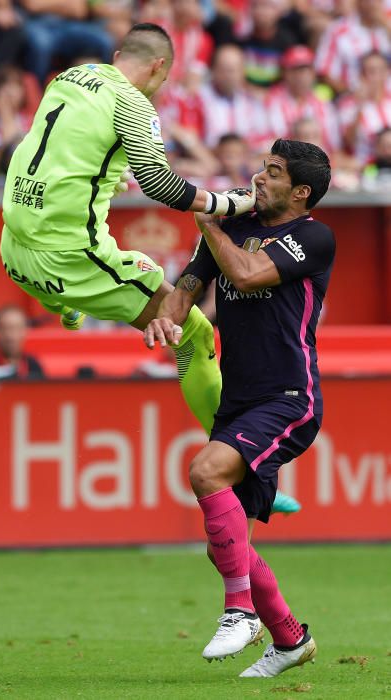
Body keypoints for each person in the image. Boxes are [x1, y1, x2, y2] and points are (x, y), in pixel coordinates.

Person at [0, 22, 298, 514]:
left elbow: (49, 151)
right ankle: (244, 463)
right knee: (196, 334)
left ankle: (65, 303)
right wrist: (228, 202)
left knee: (124, 260)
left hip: (13, 247)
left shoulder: (70, 77)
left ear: (118, 53)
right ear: (160, 67)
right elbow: (160, 184)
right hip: (72, 258)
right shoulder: (135, 105)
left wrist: (105, 177)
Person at [144, 138, 335, 677]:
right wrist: (170, 315)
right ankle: (292, 640)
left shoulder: (313, 237)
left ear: (299, 192)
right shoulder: (235, 226)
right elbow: (190, 281)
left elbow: (247, 274)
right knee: (225, 547)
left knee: (205, 471)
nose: (259, 177)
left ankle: (239, 612)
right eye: (263, 167)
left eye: (273, 173)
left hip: (289, 398)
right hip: (239, 398)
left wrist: (209, 220)